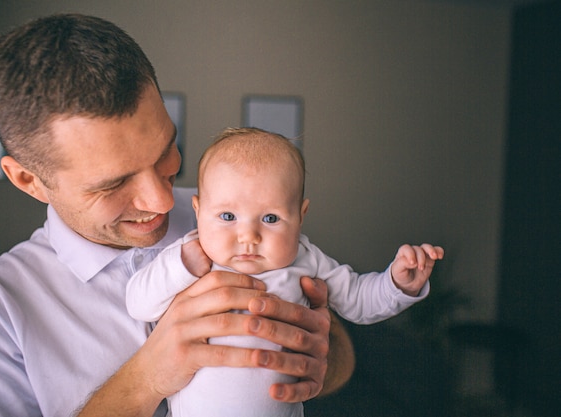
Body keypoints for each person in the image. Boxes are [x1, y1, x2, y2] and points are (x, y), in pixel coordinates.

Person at [0, 14, 349, 417]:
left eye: (167, 151)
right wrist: (146, 380)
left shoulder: (236, 216)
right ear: (29, 180)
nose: (162, 201)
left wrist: (318, 359)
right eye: (114, 184)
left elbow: (340, 355)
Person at [126, 127, 444, 417]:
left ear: (300, 215)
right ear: (198, 210)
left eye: (270, 219)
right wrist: (180, 266)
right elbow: (138, 303)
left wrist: (398, 283)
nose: (248, 236)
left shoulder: (305, 260)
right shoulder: (190, 256)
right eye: (227, 215)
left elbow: (359, 301)